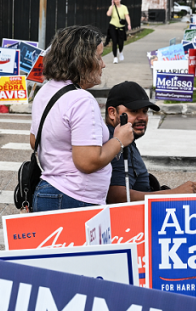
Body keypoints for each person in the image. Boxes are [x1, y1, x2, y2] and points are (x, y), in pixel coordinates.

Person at [29, 25, 134, 213]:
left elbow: (34, 140)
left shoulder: (45, 90)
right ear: (82, 61)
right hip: (75, 198)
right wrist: (119, 140)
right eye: (99, 56)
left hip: (51, 192)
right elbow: (87, 162)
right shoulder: (81, 100)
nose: (103, 64)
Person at [104, 81, 196, 203]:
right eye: (134, 111)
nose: (142, 117)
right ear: (112, 112)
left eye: (145, 111)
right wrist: (173, 194)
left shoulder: (125, 139)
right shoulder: (115, 142)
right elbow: (116, 196)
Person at [106, 0, 131, 64]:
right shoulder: (112, 7)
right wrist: (112, 5)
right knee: (114, 42)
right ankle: (115, 57)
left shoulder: (124, 7)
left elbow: (127, 16)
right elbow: (108, 14)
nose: (117, 1)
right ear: (113, 0)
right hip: (113, 26)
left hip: (121, 27)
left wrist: (129, 24)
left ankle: (120, 52)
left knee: (121, 42)